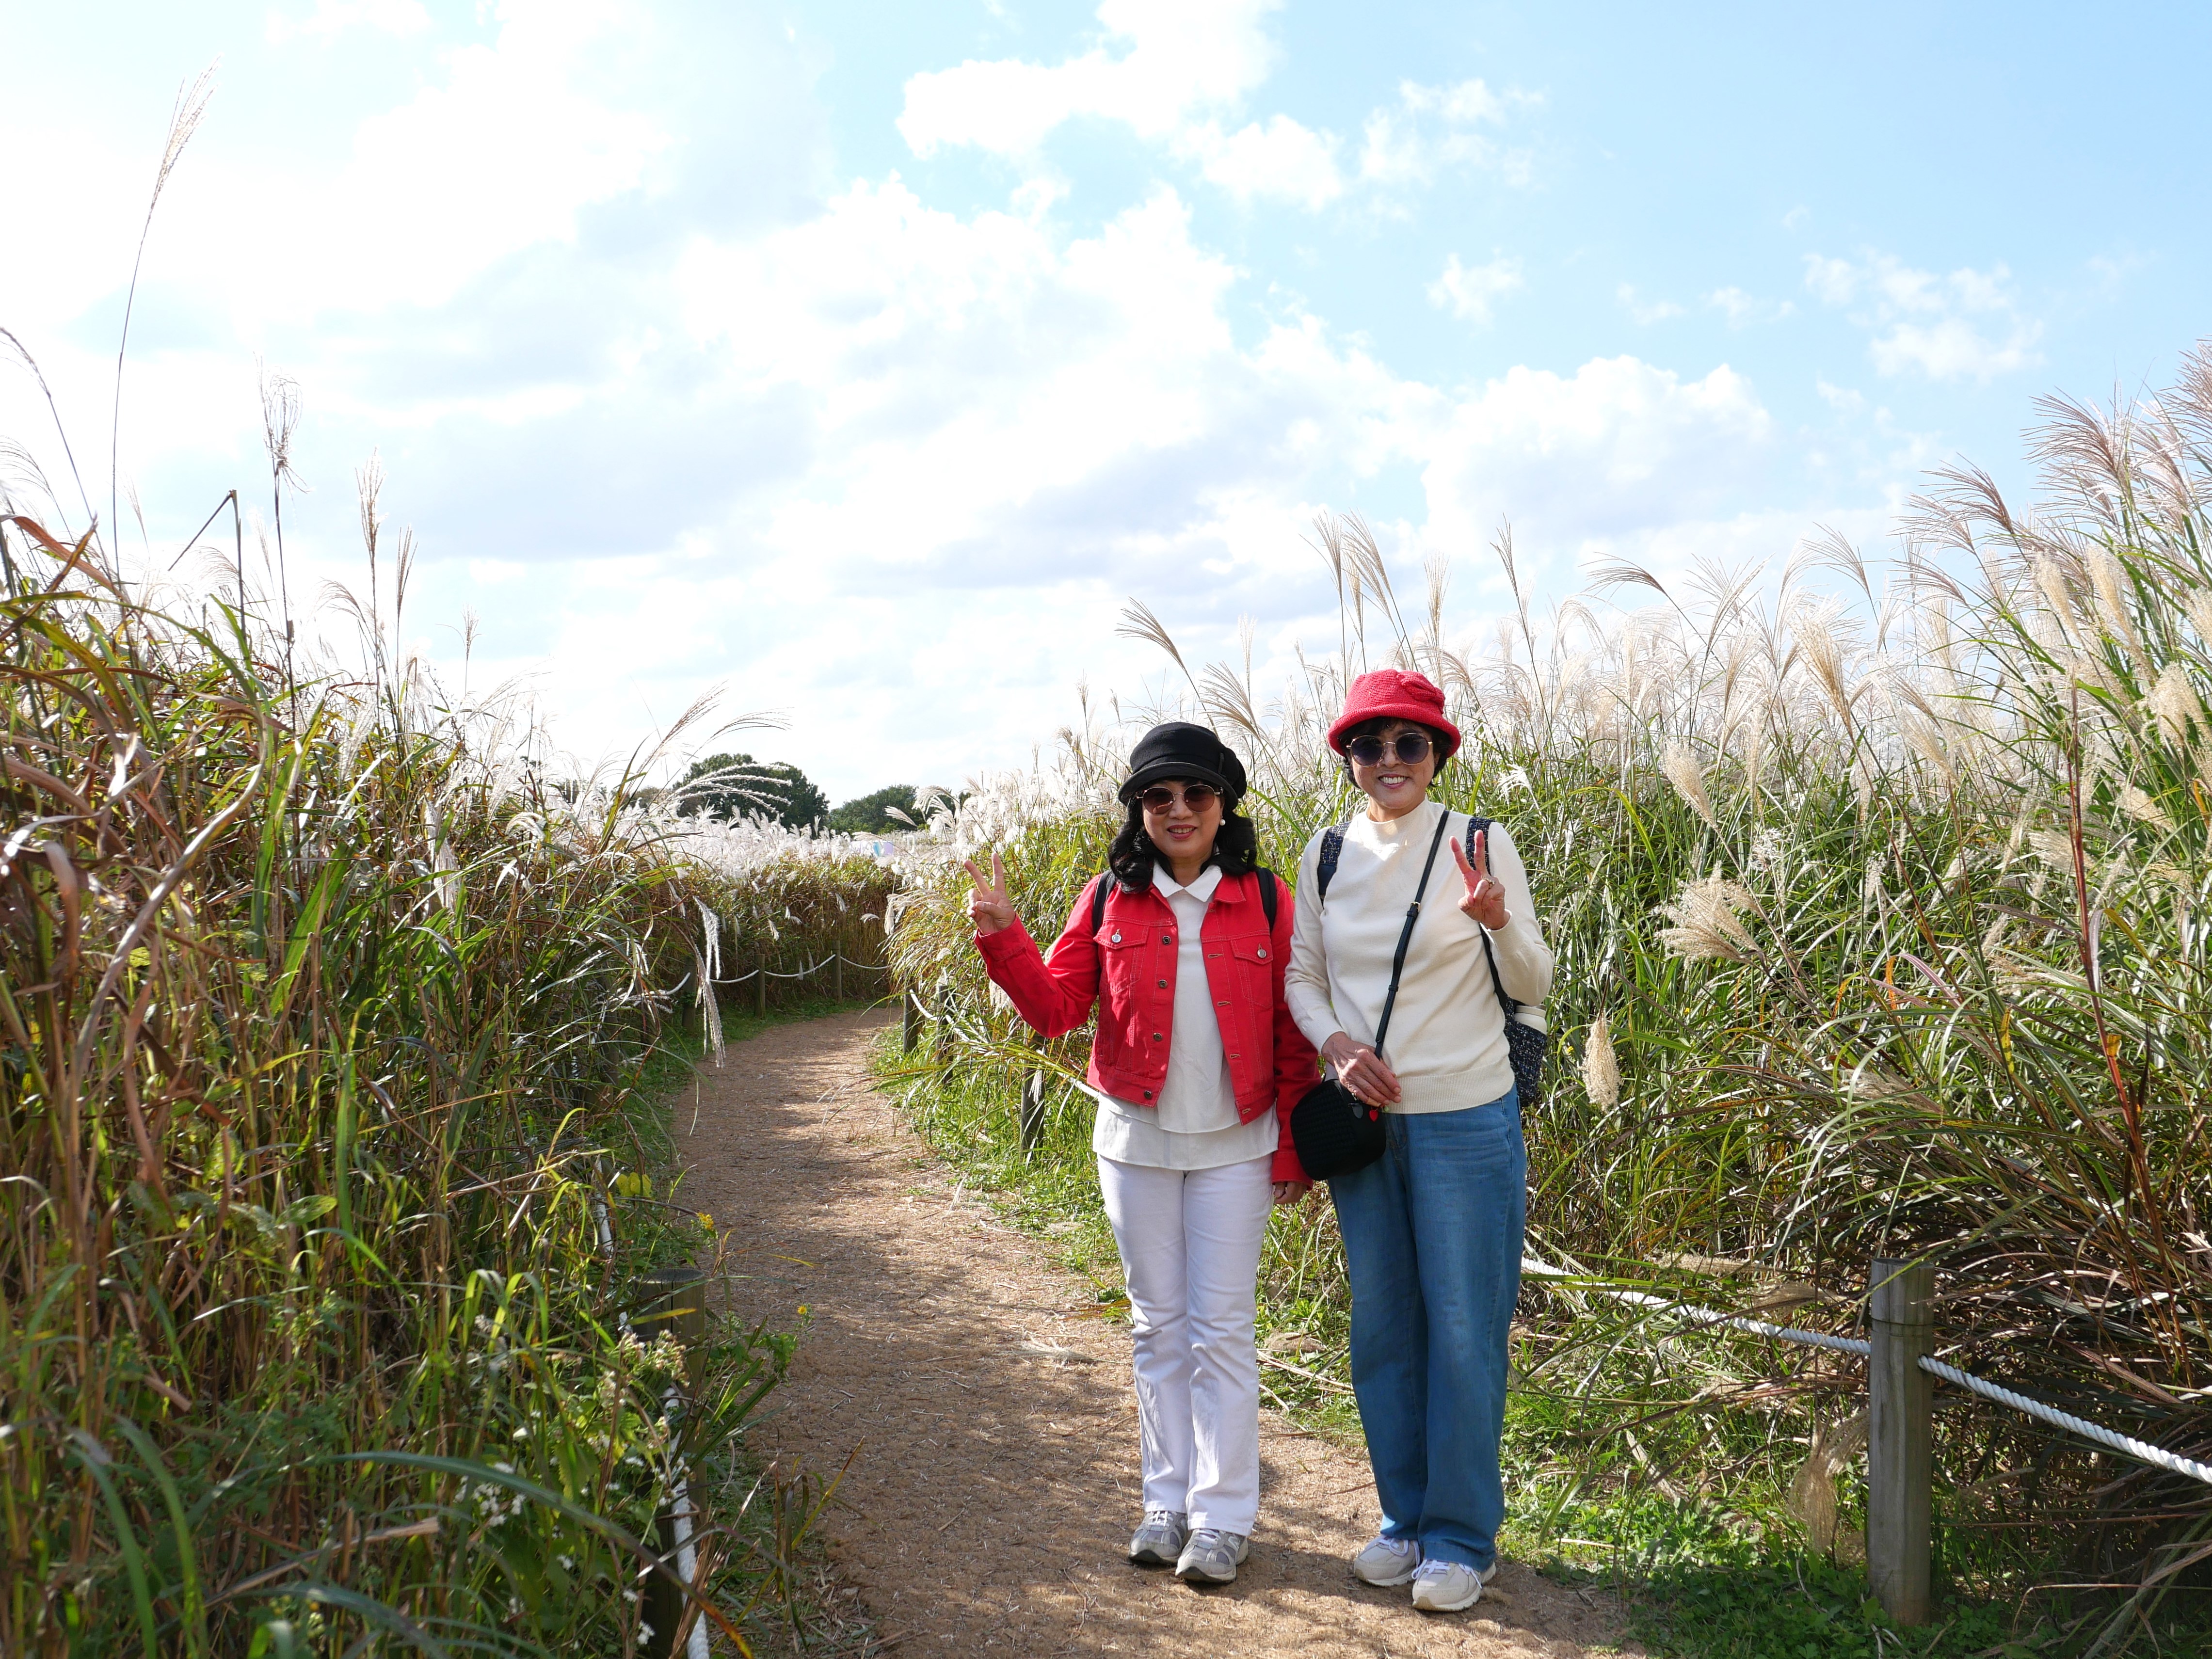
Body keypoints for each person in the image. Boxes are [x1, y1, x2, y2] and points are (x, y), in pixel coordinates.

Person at [964, 722, 1315, 1586]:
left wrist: (1293, 1152)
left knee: (1222, 1330)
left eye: (1196, 792)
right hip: (1134, 1142)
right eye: (1158, 796)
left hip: (1237, 1144)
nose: (1178, 809)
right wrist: (1005, 936)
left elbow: (1292, 1034)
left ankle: (1223, 1517)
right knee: (1158, 1327)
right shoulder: (1106, 900)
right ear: (1138, 811)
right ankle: (1164, 1505)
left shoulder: (1269, 900)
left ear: (1223, 804)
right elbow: (1055, 1011)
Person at [1284, 669, 1553, 1614]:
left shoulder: (1476, 840)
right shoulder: (1326, 853)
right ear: (1348, 758)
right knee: (1383, 1328)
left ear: (1437, 753)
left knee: (1464, 1329)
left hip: (1467, 1119)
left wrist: (1498, 920)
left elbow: (1534, 978)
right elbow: (1303, 976)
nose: (1389, 760)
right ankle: (1404, 1520)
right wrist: (1336, 1045)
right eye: (1369, 744)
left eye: (1409, 743)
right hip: (1367, 1127)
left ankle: (1461, 1538)